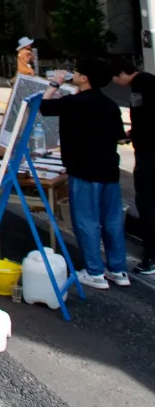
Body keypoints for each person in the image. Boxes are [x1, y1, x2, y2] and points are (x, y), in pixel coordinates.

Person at [40, 58, 129, 289]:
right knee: (112, 221)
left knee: (86, 221)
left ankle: (94, 272)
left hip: (83, 169)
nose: (74, 75)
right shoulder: (110, 105)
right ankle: (118, 269)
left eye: (77, 72)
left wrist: (55, 84)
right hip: (109, 169)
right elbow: (121, 137)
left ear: (85, 78)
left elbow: (43, 105)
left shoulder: (74, 102)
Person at [111, 58, 155, 279]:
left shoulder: (141, 87)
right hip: (148, 150)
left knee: (147, 204)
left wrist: (133, 135)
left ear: (121, 73)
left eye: (114, 77)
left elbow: (144, 121)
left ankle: (151, 256)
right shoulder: (149, 81)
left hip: (149, 155)